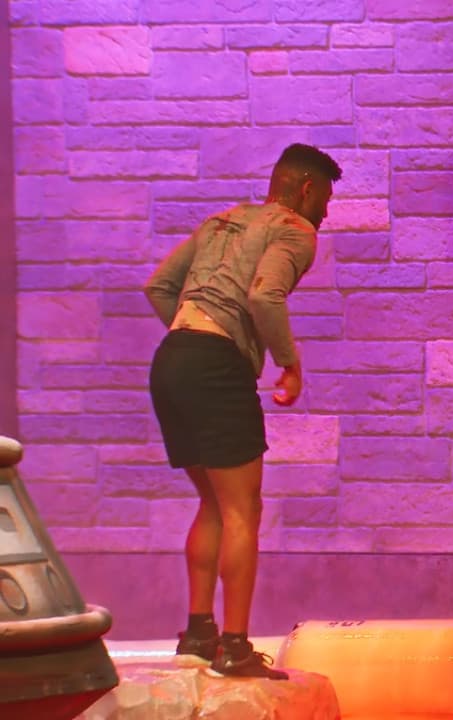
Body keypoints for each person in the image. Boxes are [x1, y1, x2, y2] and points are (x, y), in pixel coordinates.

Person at [143, 143, 342, 678]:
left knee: (212, 502)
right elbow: (264, 296)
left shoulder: (221, 221)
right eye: (324, 199)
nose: (325, 212)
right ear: (305, 189)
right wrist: (289, 365)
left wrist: (195, 338)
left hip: (172, 360)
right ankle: (234, 646)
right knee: (242, 510)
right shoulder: (296, 230)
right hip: (214, 367)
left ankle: (198, 633)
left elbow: (158, 286)